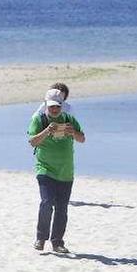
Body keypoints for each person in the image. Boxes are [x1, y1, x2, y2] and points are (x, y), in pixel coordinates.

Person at [28, 97, 85, 254]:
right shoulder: (39, 119)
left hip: (66, 171)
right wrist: (47, 131)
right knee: (46, 202)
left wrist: (73, 132)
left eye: (57, 107)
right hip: (45, 169)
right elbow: (32, 141)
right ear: (46, 105)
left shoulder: (69, 119)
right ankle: (40, 238)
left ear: (61, 106)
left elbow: (82, 139)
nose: (54, 110)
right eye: (52, 106)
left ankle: (57, 242)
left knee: (62, 208)